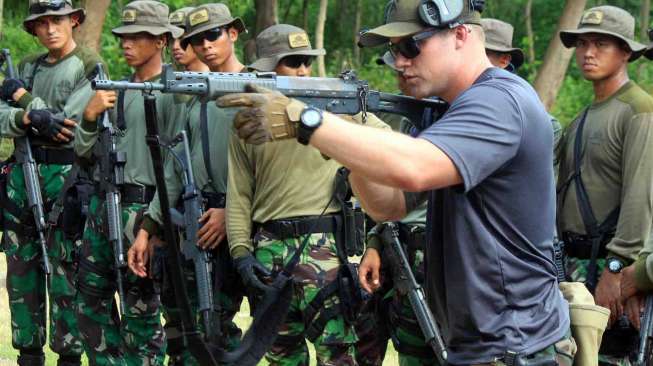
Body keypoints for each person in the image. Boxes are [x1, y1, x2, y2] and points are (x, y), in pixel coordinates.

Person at [217, 0, 574, 364]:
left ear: (461, 35)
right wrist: (348, 139)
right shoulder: (448, 110)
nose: (399, 61)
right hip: (479, 342)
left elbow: (413, 167)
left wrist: (309, 121)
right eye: (393, 49)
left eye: (410, 45)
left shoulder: (499, 100)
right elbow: (389, 204)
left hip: (518, 345)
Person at [226, 23, 388, 365]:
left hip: (325, 249)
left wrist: (341, 123)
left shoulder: (336, 108)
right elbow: (239, 192)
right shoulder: (250, 122)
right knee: (281, 356)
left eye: (306, 61)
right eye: (292, 61)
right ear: (267, 70)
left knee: (337, 355)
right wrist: (241, 252)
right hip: (270, 250)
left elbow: (388, 144)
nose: (302, 70)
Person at [127, 3, 247, 364]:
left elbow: (272, 170)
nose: (205, 45)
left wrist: (232, 212)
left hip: (248, 226)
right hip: (198, 225)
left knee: (265, 338)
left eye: (213, 35)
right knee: (195, 331)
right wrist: (148, 228)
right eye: (196, 39)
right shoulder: (197, 97)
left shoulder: (257, 88)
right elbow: (176, 170)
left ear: (233, 34)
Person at [73, 1, 184, 364]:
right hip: (104, 204)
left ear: (162, 41)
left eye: (139, 37)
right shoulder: (112, 89)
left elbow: (174, 164)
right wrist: (89, 117)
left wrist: (153, 226)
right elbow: (82, 150)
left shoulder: (172, 92)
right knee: (89, 303)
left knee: (141, 309)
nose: (127, 43)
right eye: (124, 36)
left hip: (144, 210)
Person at [0, 1, 102, 365]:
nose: (49, 29)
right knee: (21, 271)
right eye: (40, 23)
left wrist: (22, 100)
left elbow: (68, 128)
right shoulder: (26, 66)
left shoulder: (89, 67)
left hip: (67, 181)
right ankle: (27, 352)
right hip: (21, 178)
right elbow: (3, 117)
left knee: (65, 270)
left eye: (57, 20)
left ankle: (69, 355)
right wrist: (28, 115)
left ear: (74, 20)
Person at [556, 5, 653, 365]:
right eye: (581, 44)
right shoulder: (582, 116)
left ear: (626, 51)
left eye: (600, 43)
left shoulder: (640, 111)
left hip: (609, 270)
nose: (588, 53)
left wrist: (617, 271)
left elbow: (640, 197)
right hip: (574, 267)